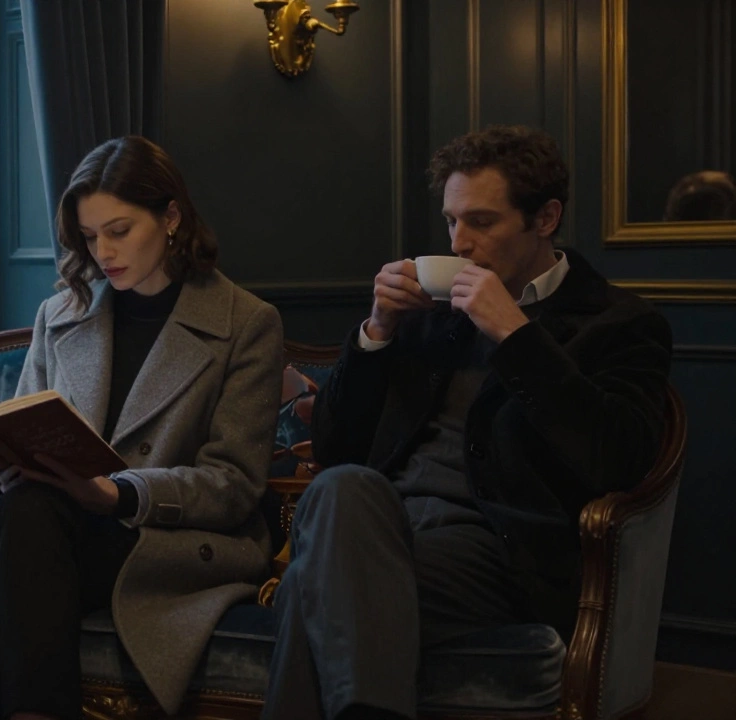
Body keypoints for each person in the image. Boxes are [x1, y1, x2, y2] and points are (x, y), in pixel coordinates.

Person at [0, 135, 285, 720]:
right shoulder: (61, 315)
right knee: (8, 533)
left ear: (171, 217)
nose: (103, 251)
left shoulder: (247, 324)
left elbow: (233, 484)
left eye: (119, 230)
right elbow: (17, 429)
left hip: (169, 543)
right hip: (50, 530)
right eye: (89, 237)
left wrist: (117, 492)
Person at [261, 125, 673, 720]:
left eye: (482, 221)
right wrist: (376, 331)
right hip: (380, 524)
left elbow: (618, 456)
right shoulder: (426, 315)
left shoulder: (618, 324)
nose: (461, 242)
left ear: (545, 217)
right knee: (340, 486)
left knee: (310, 583)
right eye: (453, 221)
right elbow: (332, 443)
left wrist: (516, 335)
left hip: (500, 551)